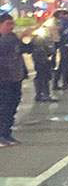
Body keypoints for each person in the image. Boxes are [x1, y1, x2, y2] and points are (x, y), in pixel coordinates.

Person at [0, 13, 36, 146]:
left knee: (12, 106)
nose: (11, 27)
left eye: (12, 24)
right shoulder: (6, 40)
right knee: (3, 107)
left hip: (15, 77)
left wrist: (31, 38)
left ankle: (7, 134)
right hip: (3, 79)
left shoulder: (12, 38)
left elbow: (26, 49)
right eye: (8, 24)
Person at [30, 28, 58, 102]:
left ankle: (41, 94)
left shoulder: (43, 37)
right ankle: (43, 95)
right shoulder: (38, 39)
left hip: (43, 59)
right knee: (42, 76)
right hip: (41, 59)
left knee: (43, 76)